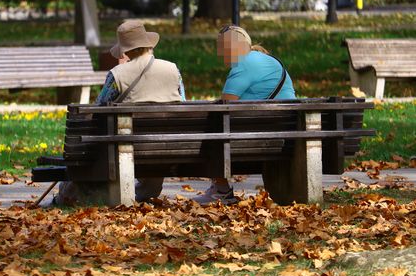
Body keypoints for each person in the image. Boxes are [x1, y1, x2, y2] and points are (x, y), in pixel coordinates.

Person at [53, 20, 186, 206]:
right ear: (148, 43)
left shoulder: (118, 74)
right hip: (166, 147)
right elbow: (183, 105)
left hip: (124, 149)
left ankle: (65, 197)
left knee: (91, 142)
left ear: (126, 50)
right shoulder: (173, 70)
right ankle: (144, 193)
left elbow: (97, 112)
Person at [193, 25, 297, 206]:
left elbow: (223, 106)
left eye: (222, 47)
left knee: (211, 126)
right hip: (288, 131)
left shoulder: (243, 64)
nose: (219, 54)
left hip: (258, 135)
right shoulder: (267, 60)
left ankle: (221, 189)